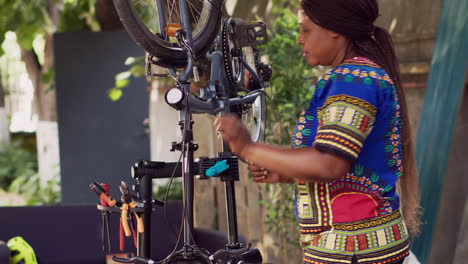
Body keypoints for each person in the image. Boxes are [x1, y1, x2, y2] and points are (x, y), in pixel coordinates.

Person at [214, 0, 421, 263]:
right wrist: (284, 171)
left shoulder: (353, 81)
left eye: (306, 30)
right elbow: (351, 169)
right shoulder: (355, 78)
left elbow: (329, 164)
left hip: (355, 252)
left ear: (334, 29)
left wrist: (249, 148)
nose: (300, 40)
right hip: (359, 249)